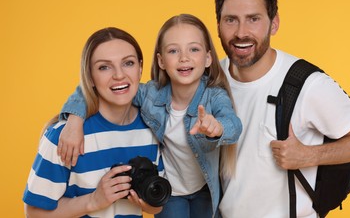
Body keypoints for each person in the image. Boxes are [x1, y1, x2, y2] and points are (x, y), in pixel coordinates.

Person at [214, 0, 350, 217]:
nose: (241, 32)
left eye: (253, 19)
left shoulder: (306, 84)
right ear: (218, 24)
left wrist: (308, 155)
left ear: (274, 23)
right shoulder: (213, 79)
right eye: (231, 20)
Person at [57, 14, 242, 218]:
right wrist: (74, 121)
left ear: (208, 58)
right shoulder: (150, 95)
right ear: (161, 61)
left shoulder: (214, 95)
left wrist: (218, 128)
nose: (184, 58)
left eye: (194, 49)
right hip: (168, 192)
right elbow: (97, 88)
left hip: (205, 190)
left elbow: (233, 124)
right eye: (173, 51)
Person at [23, 27, 163, 217]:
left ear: (140, 68)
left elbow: (157, 206)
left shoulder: (152, 129)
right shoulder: (64, 137)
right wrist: (93, 201)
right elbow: (33, 213)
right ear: (90, 77)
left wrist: (146, 200)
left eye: (128, 63)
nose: (119, 75)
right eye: (104, 67)